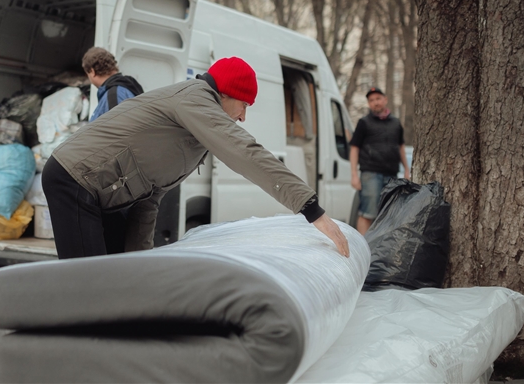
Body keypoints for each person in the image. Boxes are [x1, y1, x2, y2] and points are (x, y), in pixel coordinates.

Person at [42, 56, 350, 259]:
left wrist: (141, 260)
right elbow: (245, 152)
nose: (242, 117)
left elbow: (149, 199)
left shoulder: (194, 133)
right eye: (244, 105)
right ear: (226, 95)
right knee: (86, 280)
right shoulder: (194, 99)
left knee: (116, 273)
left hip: (103, 192)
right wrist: (312, 210)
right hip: (75, 178)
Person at [349, 87, 410, 235]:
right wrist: (354, 176)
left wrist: (407, 170)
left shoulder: (396, 123)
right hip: (370, 174)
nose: (375, 102)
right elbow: (354, 149)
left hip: (392, 175)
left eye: (378, 98)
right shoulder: (364, 122)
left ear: (385, 100)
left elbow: (401, 147)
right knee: (367, 214)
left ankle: (381, 252)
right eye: (371, 100)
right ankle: (363, 250)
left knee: (389, 215)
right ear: (369, 104)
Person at [83, 47, 144, 122]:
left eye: (87, 74)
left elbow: (119, 129)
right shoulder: (125, 87)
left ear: (92, 72)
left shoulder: (113, 95)